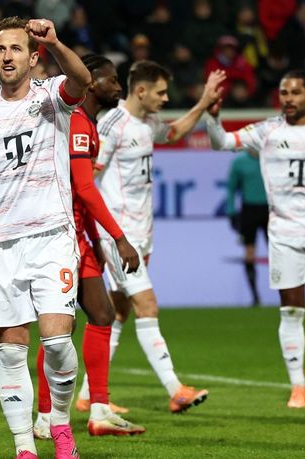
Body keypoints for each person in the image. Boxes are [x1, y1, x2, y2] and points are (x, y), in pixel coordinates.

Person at [0, 17, 90, 459]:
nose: (7, 56)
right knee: (12, 352)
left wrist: (56, 42)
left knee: (57, 343)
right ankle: (23, 447)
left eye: (16, 48)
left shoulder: (51, 96)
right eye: (0, 49)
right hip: (0, 244)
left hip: (51, 236)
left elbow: (83, 80)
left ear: (33, 58)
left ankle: (60, 424)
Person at [206, 69, 305, 408]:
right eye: (283, 93)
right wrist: (213, 118)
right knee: (292, 311)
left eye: (295, 92)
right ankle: (297, 385)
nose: (288, 99)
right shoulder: (267, 131)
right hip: (283, 233)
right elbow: (221, 142)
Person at [95, 60, 225, 413]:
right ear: (141, 91)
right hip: (120, 235)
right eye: (161, 92)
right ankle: (175, 389)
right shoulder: (112, 124)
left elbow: (175, 132)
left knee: (118, 313)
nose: (166, 99)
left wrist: (204, 102)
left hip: (142, 234)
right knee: (147, 306)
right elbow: (89, 176)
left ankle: (91, 395)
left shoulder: (148, 122)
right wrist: (106, 233)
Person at [33, 54, 145, 439]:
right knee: (64, 325)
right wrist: (120, 238)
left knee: (98, 314)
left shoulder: (85, 122)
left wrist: (95, 241)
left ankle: (94, 410)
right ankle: (52, 415)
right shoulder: (78, 121)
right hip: (62, 236)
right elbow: (83, 188)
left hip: (78, 236)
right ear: (92, 82)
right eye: (112, 80)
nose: (118, 87)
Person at [226, 151, 269, 306]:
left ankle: (286, 293)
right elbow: (231, 188)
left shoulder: (271, 158)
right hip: (249, 210)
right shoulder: (239, 162)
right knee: (249, 252)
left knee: (278, 252)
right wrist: (231, 211)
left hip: (270, 209)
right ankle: (255, 296)